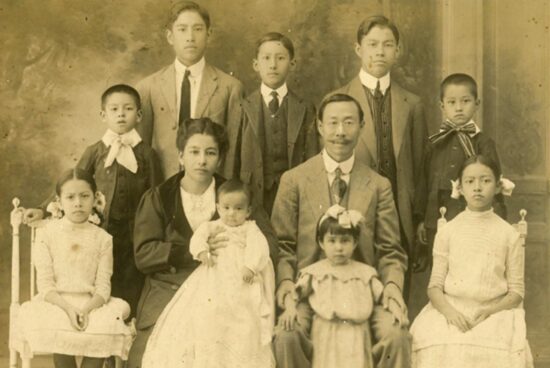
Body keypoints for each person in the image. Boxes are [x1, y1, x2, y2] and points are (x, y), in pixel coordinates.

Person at [271, 93, 410, 368]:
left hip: (365, 292)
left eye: (349, 123)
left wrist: (392, 289)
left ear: (361, 126)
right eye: (333, 123)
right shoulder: (294, 180)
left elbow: (391, 249)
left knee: (397, 335)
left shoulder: (378, 184)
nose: (340, 132)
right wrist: (287, 286)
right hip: (310, 292)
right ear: (320, 127)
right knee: (287, 335)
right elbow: (282, 245)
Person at [127, 117, 278, 367]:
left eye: (210, 153)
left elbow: (268, 244)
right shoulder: (159, 197)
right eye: (194, 152)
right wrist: (190, 253)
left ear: (220, 158)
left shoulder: (235, 197)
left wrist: (235, 254)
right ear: (180, 155)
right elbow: (144, 254)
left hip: (226, 291)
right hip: (169, 288)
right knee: (152, 356)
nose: (202, 160)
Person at [23, 84, 162, 318]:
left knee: (130, 284)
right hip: (100, 232)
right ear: (103, 115)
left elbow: (156, 194)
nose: (120, 114)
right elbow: (72, 184)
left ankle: (124, 343)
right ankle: (100, 338)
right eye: (114, 109)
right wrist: (42, 209)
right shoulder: (95, 152)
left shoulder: (146, 154)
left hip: (134, 235)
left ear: (138, 115)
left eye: (128, 109)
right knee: (100, 283)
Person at [326, 15, 427, 297]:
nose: (379, 52)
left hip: (400, 217)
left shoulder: (413, 104)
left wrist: (418, 220)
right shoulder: (337, 99)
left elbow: (421, 167)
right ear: (358, 49)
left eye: (387, 45)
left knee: (396, 299)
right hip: (352, 214)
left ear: (397, 51)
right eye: (372, 44)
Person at [410, 155, 533, 368]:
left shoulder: (508, 234)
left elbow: (516, 292)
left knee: (491, 351)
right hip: (451, 308)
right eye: (470, 181)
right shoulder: (448, 231)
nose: (477, 187)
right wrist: (450, 312)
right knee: (435, 344)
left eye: (485, 180)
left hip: (495, 312)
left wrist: (490, 312)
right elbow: (435, 287)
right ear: (459, 187)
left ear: (497, 186)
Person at [141, 178, 275, 367]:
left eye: (238, 209)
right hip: (215, 275)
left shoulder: (250, 229)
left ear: (248, 211)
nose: (232, 214)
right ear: (218, 208)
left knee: (244, 318)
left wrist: (251, 266)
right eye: (226, 208)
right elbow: (198, 238)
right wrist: (201, 251)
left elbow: (260, 248)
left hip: (241, 277)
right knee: (209, 312)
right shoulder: (214, 226)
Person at [16, 169, 134, 368]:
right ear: (59, 201)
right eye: (70, 197)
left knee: (105, 325)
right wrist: (69, 309)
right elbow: (45, 285)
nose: (78, 203)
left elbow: (103, 286)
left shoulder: (103, 239)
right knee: (59, 324)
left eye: (84, 196)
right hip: (57, 302)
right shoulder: (47, 234)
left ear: (95, 199)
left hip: (92, 303)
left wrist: (86, 310)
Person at [136, 0, 244, 179]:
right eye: (182, 29)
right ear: (170, 37)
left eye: (198, 29)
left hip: (210, 185)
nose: (190, 37)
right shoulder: (148, 88)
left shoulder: (230, 87)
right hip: (162, 185)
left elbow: (231, 153)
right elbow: (141, 150)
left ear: (209, 34)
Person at [414, 73, 506, 272]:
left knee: (469, 268)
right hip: (436, 219)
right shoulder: (434, 144)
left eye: (465, 101)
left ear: (477, 103)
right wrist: (421, 220)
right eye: (452, 102)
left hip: (471, 217)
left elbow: (495, 183)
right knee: (440, 269)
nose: (458, 107)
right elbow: (423, 182)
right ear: (442, 105)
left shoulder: (483, 143)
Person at [279, 204, 384, 368]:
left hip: (356, 335)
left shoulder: (365, 273)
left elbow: (383, 296)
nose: (339, 247)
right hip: (326, 334)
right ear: (321, 243)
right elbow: (295, 294)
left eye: (345, 241)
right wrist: (290, 309)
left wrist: (395, 307)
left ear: (355, 242)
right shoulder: (314, 272)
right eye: (332, 241)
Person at [236, 32, 319, 215]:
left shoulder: (305, 108)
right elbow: (233, 161)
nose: (273, 65)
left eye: (280, 58)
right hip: (253, 197)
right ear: (256, 65)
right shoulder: (243, 107)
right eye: (266, 58)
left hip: (293, 196)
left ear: (292, 64)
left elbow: (313, 160)